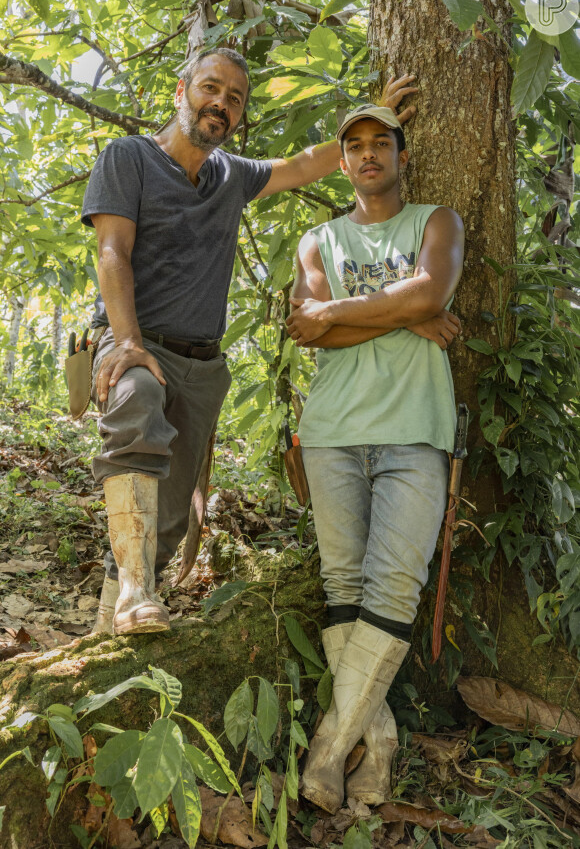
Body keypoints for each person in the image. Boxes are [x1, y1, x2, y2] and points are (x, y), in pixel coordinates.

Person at [82, 47, 417, 636]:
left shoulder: (229, 175)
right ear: (182, 89)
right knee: (134, 404)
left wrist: (375, 115)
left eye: (235, 98)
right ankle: (135, 592)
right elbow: (113, 252)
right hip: (137, 342)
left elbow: (304, 165)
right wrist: (127, 344)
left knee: (166, 515)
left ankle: (111, 627)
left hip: (201, 364)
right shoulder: (129, 156)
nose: (222, 104)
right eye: (211, 89)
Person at [285, 103, 464, 814]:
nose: (366, 155)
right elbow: (309, 329)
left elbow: (432, 289)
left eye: (379, 143)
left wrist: (347, 309)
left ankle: (331, 747)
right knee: (344, 582)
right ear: (343, 158)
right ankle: (380, 744)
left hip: (417, 426)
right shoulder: (318, 237)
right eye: (353, 145)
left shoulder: (436, 221)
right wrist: (406, 314)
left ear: (400, 154)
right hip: (331, 426)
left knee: (393, 585)